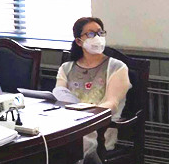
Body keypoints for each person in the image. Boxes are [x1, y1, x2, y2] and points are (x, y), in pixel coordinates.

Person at [56, 17, 130, 155]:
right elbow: (59, 99)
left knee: (72, 145)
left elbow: (112, 104)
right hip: (69, 124)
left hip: (99, 129)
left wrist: (87, 117)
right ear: (79, 41)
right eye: (91, 34)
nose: (97, 37)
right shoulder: (66, 68)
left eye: (100, 33)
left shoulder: (117, 67)